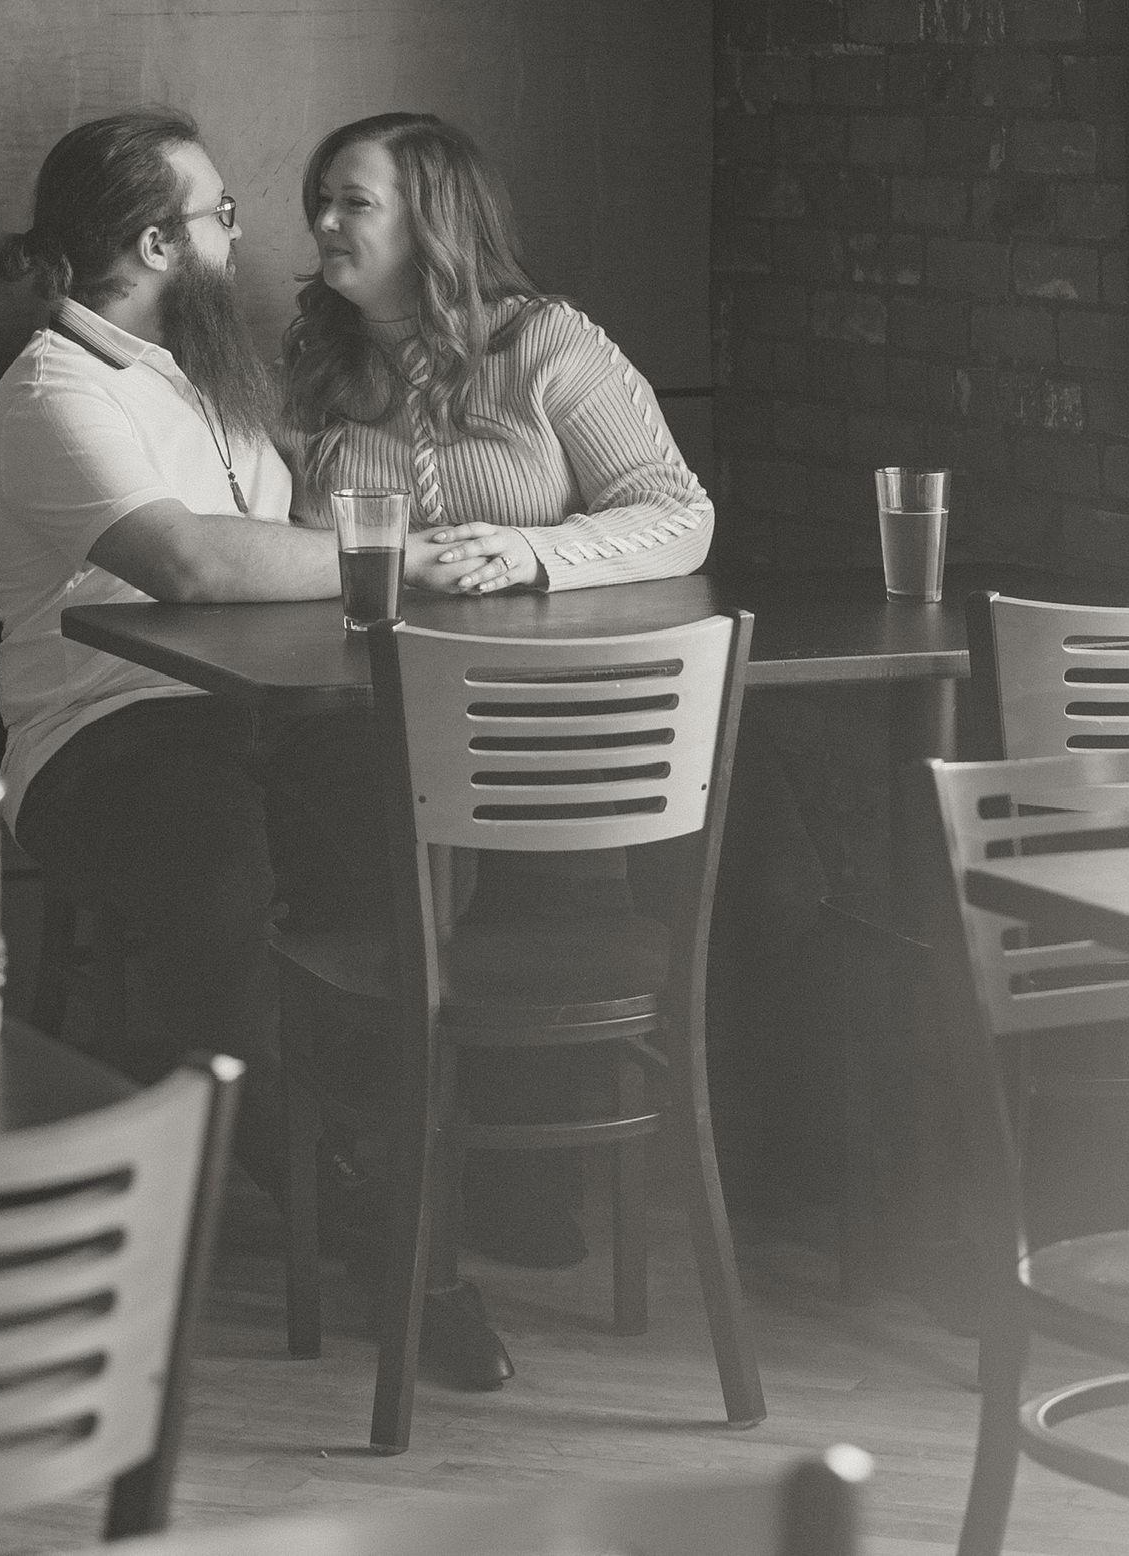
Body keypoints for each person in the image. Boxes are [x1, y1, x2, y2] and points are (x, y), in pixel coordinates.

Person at [0, 111, 512, 1383]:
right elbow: (191, 562)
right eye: (218, 216)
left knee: (403, 849)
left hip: (267, 716)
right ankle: (341, 1206)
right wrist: (397, 558)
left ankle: (388, 1204)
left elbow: (283, 534)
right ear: (157, 244)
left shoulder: (204, 373)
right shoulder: (53, 391)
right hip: (104, 735)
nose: (240, 234)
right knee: (220, 884)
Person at [264, 111, 719, 1384]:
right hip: (362, 718)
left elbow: (679, 513)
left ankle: (519, 1180)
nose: (325, 225)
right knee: (364, 905)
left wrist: (532, 551)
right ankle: (406, 1214)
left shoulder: (546, 344)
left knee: (537, 913)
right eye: (320, 201)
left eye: (354, 202)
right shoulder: (311, 364)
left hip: (545, 727)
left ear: (433, 222)